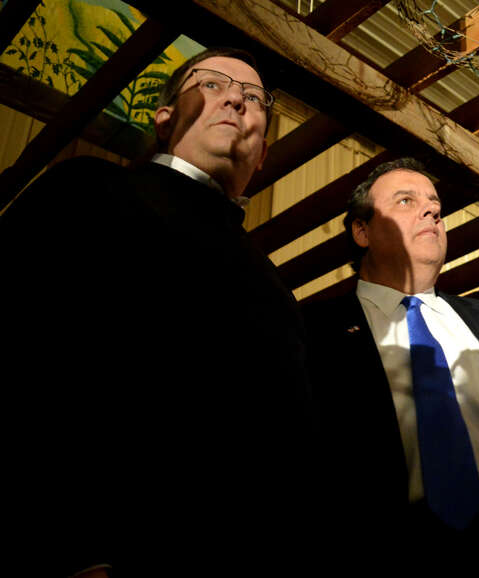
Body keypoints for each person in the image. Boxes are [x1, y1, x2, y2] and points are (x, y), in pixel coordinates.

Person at [1, 47, 310, 576]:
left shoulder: (276, 289)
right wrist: (66, 546)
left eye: (255, 97)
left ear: (262, 154)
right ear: (164, 118)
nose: (236, 99)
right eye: (211, 84)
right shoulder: (86, 190)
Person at [305, 158, 479, 571]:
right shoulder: (312, 333)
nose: (432, 211)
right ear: (361, 230)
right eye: (406, 201)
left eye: (435, 204)